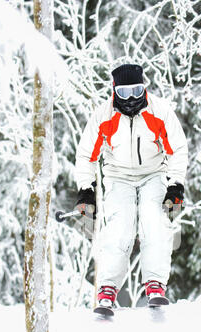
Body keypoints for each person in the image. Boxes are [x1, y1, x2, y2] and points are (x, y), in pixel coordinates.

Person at [75, 64, 188, 309]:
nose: (132, 99)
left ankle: (155, 283)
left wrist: (175, 184)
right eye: (124, 93)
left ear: (143, 88)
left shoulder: (159, 111)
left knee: (155, 221)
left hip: (153, 173)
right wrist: (86, 190)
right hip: (118, 176)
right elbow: (86, 155)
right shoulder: (104, 115)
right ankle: (107, 287)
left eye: (137, 90)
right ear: (115, 91)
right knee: (119, 226)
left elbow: (177, 148)